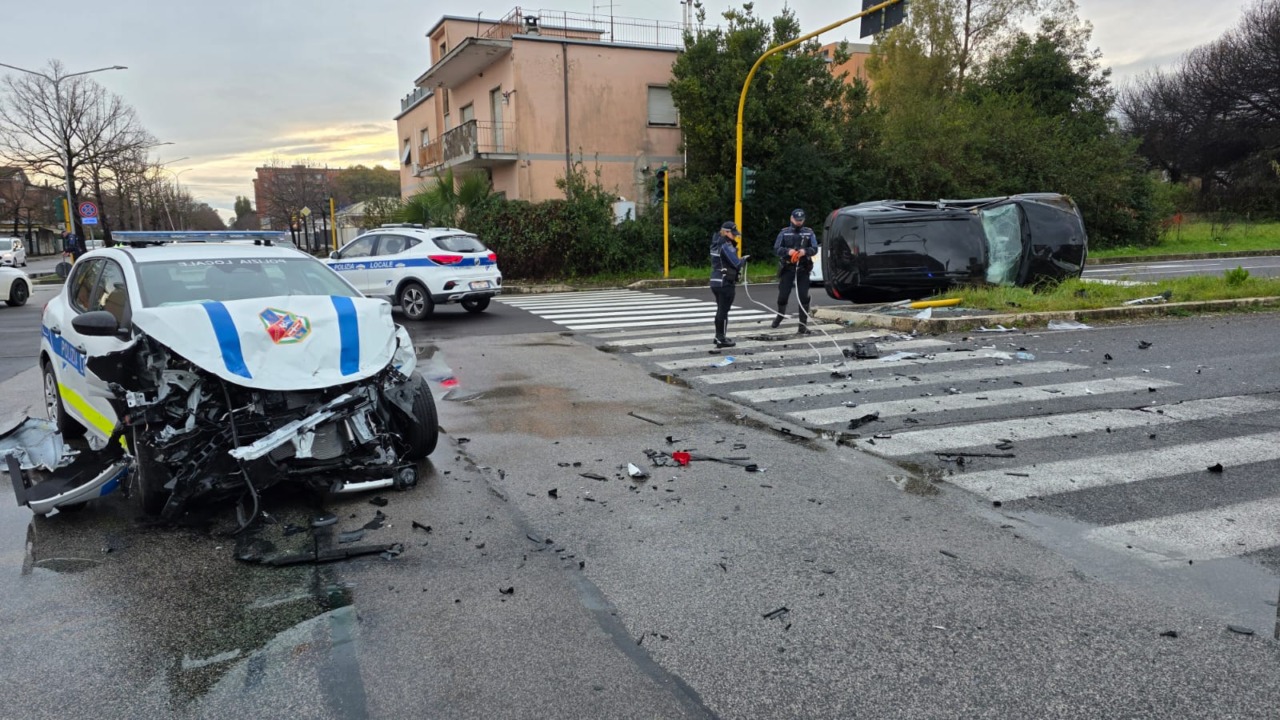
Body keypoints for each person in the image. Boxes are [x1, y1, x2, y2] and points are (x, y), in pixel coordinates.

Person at [772, 208, 819, 333]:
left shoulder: (809, 233)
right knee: (783, 296)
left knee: (804, 297)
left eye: (801, 220)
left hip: (803, 268)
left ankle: (802, 326)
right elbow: (776, 248)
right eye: (796, 220)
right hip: (788, 268)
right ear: (791, 218)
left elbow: (814, 248)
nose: (799, 222)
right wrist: (788, 251)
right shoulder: (784, 232)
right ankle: (780, 316)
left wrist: (805, 251)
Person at [710, 221, 748, 349]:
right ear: (726, 232)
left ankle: (718, 336)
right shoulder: (725, 245)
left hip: (715, 281)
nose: (735, 236)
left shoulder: (715, 243)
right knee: (724, 310)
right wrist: (743, 260)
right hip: (725, 282)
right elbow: (736, 263)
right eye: (733, 234)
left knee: (720, 309)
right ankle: (721, 338)